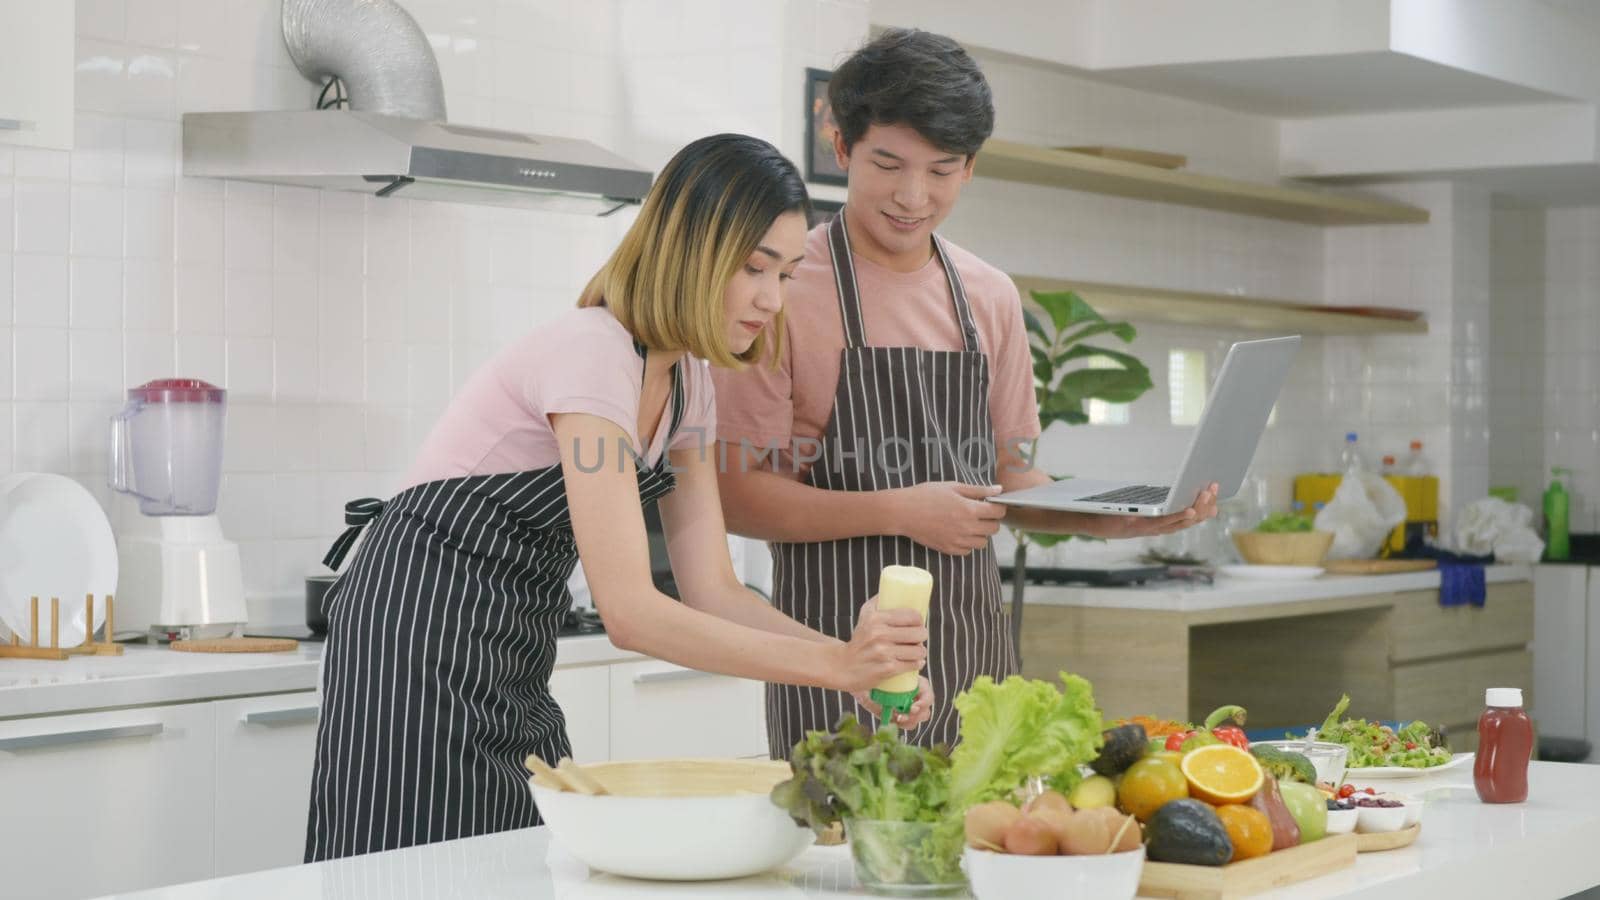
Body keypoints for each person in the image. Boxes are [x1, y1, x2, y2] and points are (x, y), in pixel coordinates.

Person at [305, 134, 933, 861]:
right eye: (755, 266)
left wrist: (855, 666)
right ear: (690, 249)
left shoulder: (689, 382)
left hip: (510, 644)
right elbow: (630, 614)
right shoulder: (593, 352)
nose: (771, 297)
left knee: (516, 862)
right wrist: (833, 667)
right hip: (412, 633)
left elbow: (713, 590)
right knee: (409, 869)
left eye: (787, 274)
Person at [711, 31, 1219, 757]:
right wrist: (898, 511)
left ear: (971, 167)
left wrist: (1117, 521)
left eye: (942, 170)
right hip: (836, 667)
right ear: (840, 143)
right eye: (888, 163)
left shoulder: (989, 296)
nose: (913, 197)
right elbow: (737, 495)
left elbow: (1015, 481)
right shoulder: (783, 287)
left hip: (976, 668)